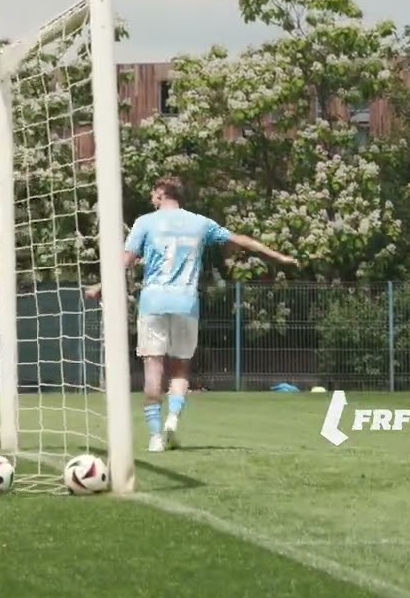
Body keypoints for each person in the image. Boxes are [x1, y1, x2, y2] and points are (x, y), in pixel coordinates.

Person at [88, 177, 296, 452]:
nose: (152, 197)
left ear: (162, 194)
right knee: (180, 369)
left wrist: (102, 286)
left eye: (153, 193)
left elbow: (125, 262)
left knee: (153, 368)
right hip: (186, 304)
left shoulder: (145, 223)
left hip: (154, 303)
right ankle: (172, 420)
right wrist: (278, 257)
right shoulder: (200, 222)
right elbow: (241, 240)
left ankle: (154, 437)